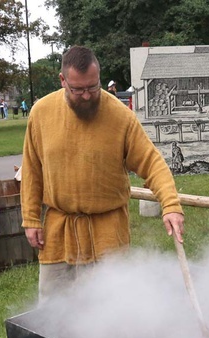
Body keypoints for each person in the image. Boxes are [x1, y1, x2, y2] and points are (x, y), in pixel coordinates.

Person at [20, 45, 185, 300]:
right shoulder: (41, 113)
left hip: (108, 232)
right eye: (78, 89)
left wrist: (171, 205)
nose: (87, 96)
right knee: (53, 313)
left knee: (110, 311)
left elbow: (152, 163)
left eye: (93, 87)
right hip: (58, 231)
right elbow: (32, 169)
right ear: (63, 80)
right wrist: (31, 219)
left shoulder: (120, 116)